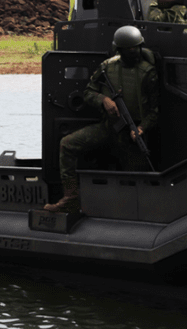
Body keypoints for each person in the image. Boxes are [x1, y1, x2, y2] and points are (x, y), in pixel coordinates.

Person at [44, 25, 160, 213]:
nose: (134, 52)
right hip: (109, 127)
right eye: (129, 49)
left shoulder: (148, 72)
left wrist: (141, 128)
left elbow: (154, 111)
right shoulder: (107, 67)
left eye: (136, 48)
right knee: (67, 144)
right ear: (119, 50)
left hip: (132, 134)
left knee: (139, 176)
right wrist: (103, 100)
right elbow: (89, 92)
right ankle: (71, 198)